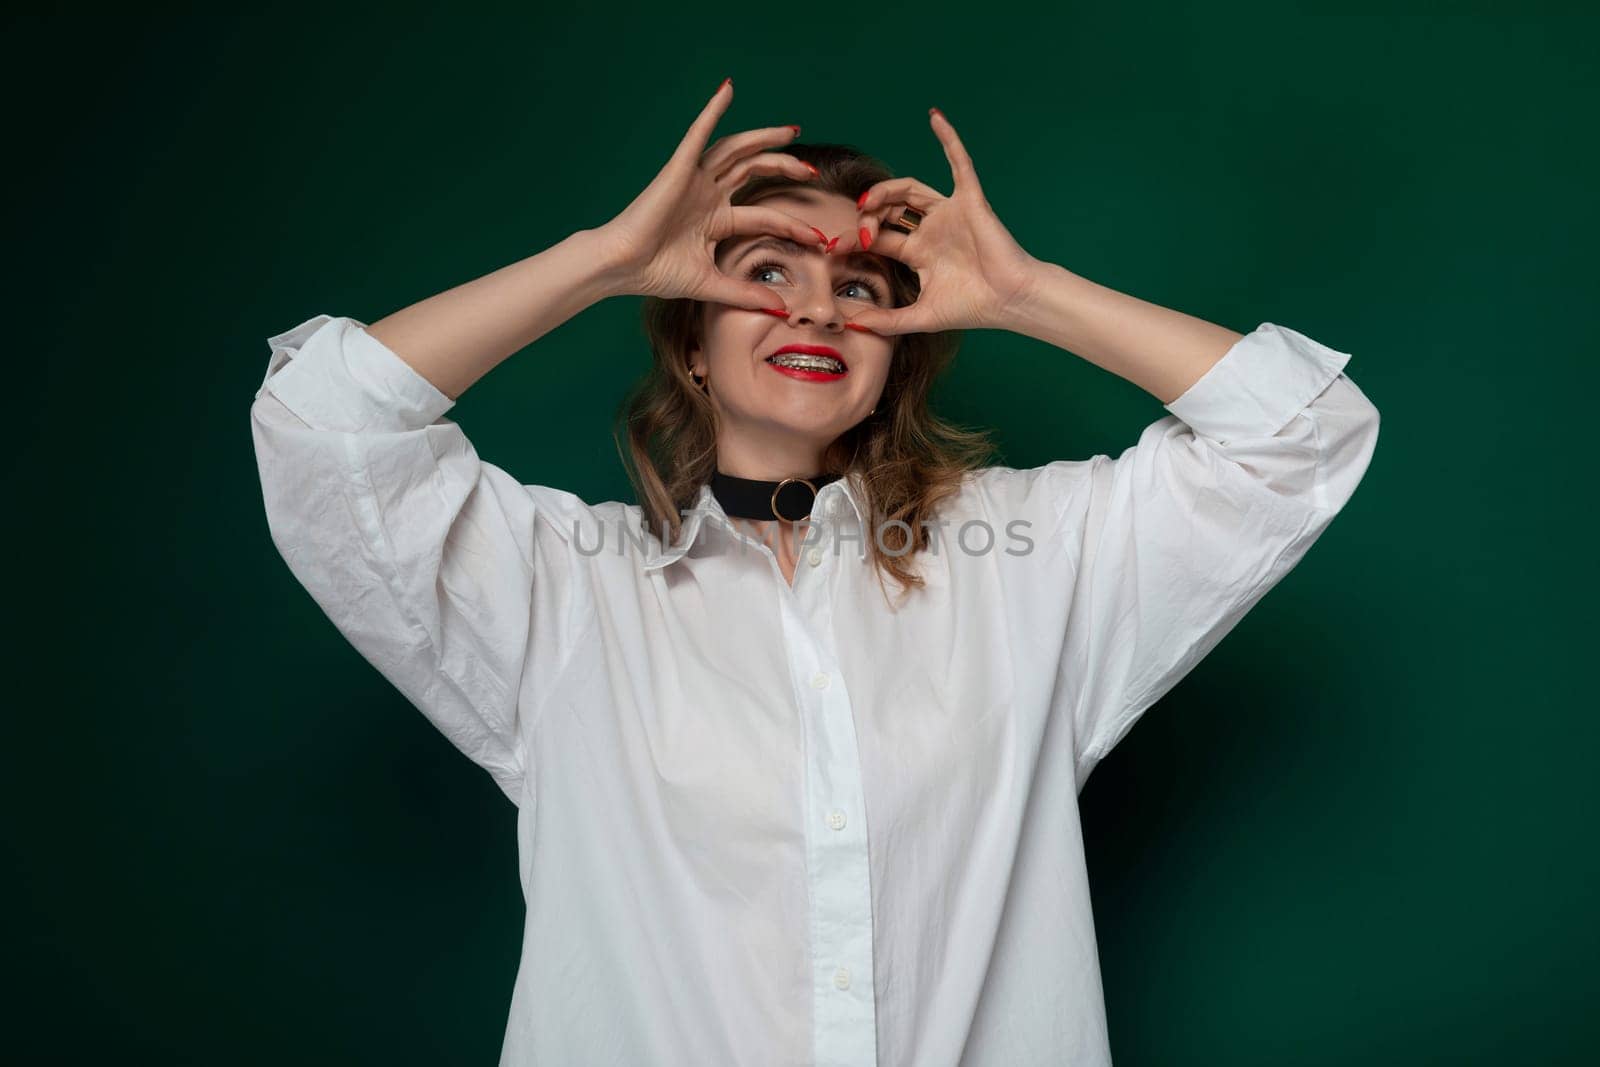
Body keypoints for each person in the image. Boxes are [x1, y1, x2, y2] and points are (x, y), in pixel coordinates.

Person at [250, 77, 1379, 1066]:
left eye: (860, 289)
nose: (811, 308)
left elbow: (1303, 432)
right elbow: (323, 424)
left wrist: (1024, 292)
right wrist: (602, 263)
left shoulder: (1036, 565)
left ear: (897, 356)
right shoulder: (561, 587)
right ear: (692, 343)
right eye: (761, 270)